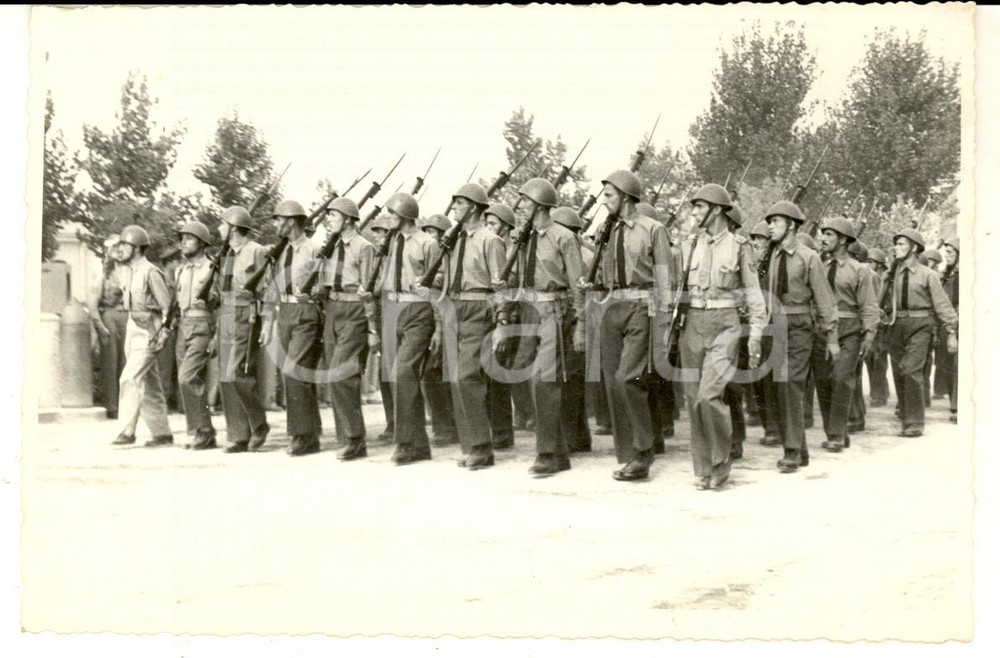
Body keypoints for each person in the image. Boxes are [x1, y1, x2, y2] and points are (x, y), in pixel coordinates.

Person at [581, 170, 672, 482]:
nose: (603, 201)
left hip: (641, 306)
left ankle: (642, 451)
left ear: (626, 195)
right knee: (612, 381)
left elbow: (664, 277)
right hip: (611, 306)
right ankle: (629, 453)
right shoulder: (607, 230)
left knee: (627, 378)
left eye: (608, 195)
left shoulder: (653, 229)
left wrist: (665, 317)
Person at [674, 185, 765, 489]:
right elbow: (678, 291)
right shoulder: (689, 245)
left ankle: (720, 462)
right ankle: (702, 468)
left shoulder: (740, 246)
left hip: (725, 325)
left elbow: (753, 292)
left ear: (716, 209)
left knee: (708, 396)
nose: (695, 212)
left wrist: (755, 333)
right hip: (693, 324)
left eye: (699, 206)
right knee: (692, 399)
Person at [498, 179, 585, 477]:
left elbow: (577, 285)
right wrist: (504, 316)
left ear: (539, 203)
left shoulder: (563, 238)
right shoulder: (521, 239)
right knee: (526, 375)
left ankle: (548, 453)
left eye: (524, 200)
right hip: (527, 311)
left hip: (554, 312)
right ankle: (556, 451)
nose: (520, 206)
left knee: (545, 380)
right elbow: (511, 282)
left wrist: (581, 323)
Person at [421, 183, 506, 471]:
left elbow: (500, 285)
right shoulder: (452, 239)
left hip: (478, 308)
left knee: (467, 377)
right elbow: (444, 273)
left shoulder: (490, 240)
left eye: (459, 203)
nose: (454, 207)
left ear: (473, 207)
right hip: (452, 307)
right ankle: (471, 446)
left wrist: (502, 322)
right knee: (455, 378)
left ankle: (481, 447)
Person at [761, 200, 838, 474]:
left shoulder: (809, 257)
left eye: (776, 222)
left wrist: (831, 337)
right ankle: (799, 450)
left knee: (791, 385)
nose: (770, 227)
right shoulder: (769, 256)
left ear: (791, 225)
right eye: (769, 222)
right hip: (774, 325)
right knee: (779, 386)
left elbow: (824, 300)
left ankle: (792, 451)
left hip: (798, 326)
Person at [367, 192, 443, 465]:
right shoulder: (389, 243)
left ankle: (405, 444)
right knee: (398, 376)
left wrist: (438, 326)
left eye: (392, 214)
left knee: (404, 372)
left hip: (418, 310)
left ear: (405, 215)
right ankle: (419, 445)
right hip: (391, 309)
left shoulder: (427, 243)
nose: (388, 218)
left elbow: (438, 284)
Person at [811, 217, 879, 453]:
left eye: (830, 235)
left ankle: (838, 434)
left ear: (843, 240)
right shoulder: (818, 266)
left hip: (849, 330)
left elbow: (869, 305)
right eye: (824, 234)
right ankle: (835, 432)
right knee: (822, 380)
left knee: (841, 378)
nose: (824, 239)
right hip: (821, 330)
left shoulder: (860, 270)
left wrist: (869, 335)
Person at [315, 196, 376, 461]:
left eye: (334, 216)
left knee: (342, 374)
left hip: (354, 311)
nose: (328, 220)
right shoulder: (330, 247)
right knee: (334, 373)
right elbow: (324, 283)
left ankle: (355, 438)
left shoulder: (364, 248)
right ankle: (346, 438)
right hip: (333, 309)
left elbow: (370, 289)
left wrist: (372, 326)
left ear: (349, 220)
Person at [262, 200, 324, 456]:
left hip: (306, 312)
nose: (276, 224)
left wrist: (313, 295)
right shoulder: (281, 251)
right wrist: (268, 321)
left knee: (294, 371)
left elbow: (325, 282)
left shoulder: (314, 249)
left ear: (291, 221)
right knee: (299, 375)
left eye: (279, 219)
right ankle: (311, 432)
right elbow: (271, 286)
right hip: (285, 313)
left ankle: (302, 436)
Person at [886, 229, 958, 437]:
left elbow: (942, 304)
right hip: (896, 324)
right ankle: (906, 418)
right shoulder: (892, 274)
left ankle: (915, 422)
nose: (896, 248)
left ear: (914, 248)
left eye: (901, 244)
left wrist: (951, 331)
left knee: (911, 370)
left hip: (920, 325)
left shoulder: (929, 275)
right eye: (896, 244)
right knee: (899, 371)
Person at [111, 224, 174, 447]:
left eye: (125, 245)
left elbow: (167, 306)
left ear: (137, 248)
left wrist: (164, 331)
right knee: (149, 381)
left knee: (129, 377)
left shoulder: (150, 272)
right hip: (133, 326)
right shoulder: (129, 271)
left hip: (149, 329)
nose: (121, 249)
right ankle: (162, 433)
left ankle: (126, 431)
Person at [215, 205, 271, 453]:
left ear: (234, 227)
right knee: (226, 377)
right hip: (225, 313)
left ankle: (259, 424)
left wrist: (267, 320)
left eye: (222, 224)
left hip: (245, 314)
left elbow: (268, 289)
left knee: (238, 372)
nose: (218, 228)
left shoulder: (256, 251)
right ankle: (238, 435)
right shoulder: (226, 254)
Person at [551, 206, 593, 453]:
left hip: (575, 320)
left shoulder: (583, 256)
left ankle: (571, 436)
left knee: (568, 381)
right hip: (570, 319)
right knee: (571, 381)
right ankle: (578, 436)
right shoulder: (583, 253)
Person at [173, 221, 219, 450]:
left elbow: (219, 304)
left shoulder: (212, 268)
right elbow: (176, 302)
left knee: (187, 377)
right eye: (182, 238)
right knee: (188, 380)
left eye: (189, 238)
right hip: (183, 326)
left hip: (202, 324)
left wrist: (216, 334)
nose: (183, 242)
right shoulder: (180, 270)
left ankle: (205, 430)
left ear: (202, 243)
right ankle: (201, 431)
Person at [417, 213, 458, 446]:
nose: (429, 237)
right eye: (427, 231)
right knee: (432, 373)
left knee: (437, 373)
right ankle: (444, 425)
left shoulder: (447, 259)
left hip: (444, 319)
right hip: (428, 318)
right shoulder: (428, 256)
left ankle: (448, 427)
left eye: (433, 232)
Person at [482, 202, 519, 451]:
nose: (489, 227)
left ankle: (503, 432)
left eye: (493, 223)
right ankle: (496, 430)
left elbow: (513, 280)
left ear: (506, 226)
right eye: (487, 223)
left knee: (498, 375)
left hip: (511, 315)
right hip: (491, 311)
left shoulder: (513, 249)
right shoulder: (489, 245)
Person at [93, 234, 127, 420]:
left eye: (121, 248)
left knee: (127, 363)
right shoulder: (103, 274)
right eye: (114, 249)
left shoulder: (131, 271)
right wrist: (100, 325)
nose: (118, 253)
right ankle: (112, 406)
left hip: (128, 317)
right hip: (110, 317)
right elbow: (92, 302)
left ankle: (126, 405)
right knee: (111, 363)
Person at [865, 247, 891, 407]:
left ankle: (879, 394)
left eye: (872, 263)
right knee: (869, 358)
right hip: (872, 321)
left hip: (883, 325)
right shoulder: (870, 278)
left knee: (879, 358)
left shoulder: (886, 281)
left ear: (880, 265)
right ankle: (881, 389)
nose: (869, 265)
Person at [939, 237, 960, 423]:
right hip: (946, 325)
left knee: (957, 365)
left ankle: (957, 406)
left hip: (958, 325)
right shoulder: (947, 274)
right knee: (946, 364)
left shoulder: (962, 275)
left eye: (950, 252)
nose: (946, 256)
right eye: (946, 252)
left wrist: (953, 328)